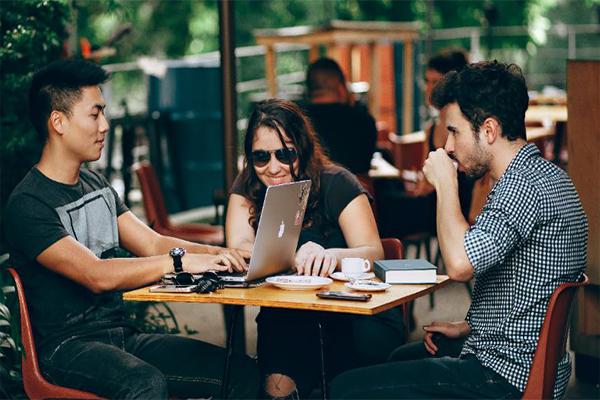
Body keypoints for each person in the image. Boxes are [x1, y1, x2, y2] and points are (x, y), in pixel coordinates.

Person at [330, 61, 588, 399]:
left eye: (454, 131)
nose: (448, 146)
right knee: (399, 357)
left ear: (489, 130)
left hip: (503, 378)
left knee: (344, 388)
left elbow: (459, 265)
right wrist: (471, 327)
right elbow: (529, 288)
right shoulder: (546, 177)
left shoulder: (522, 187)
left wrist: (445, 184)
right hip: (522, 365)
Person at [3, 59, 259, 399]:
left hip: (122, 336)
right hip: (65, 347)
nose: (105, 125)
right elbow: (96, 274)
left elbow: (152, 243)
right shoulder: (29, 203)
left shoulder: (96, 184)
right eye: (94, 114)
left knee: (241, 373)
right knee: (145, 383)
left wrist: (221, 254)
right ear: (58, 122)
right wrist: (180, 262)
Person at [226, 98, 405, 399]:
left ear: (303, 148)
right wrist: (282, 254)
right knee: (276, 380)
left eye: (285, 155)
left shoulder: (337, 182)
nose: (273, 168)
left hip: (352, 313)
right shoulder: (248, 186)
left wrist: (331, 256)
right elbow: (240, 246)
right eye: (260, 157)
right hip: (288, 315)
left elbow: (374, 252)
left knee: (343, 382)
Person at [377, 49, 474, 239]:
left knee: (386, 206)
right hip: (432, 201)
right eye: (427, 82)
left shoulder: (467, 127)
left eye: (436, 82)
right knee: (384, 193)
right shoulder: (431, 130)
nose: (429, 89)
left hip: (457, 203)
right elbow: (424, 177)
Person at [302, 57, 377, 175]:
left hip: (313, 192)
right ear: (341, 88)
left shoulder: (298, 122)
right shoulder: (364, 121)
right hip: (358, 191)